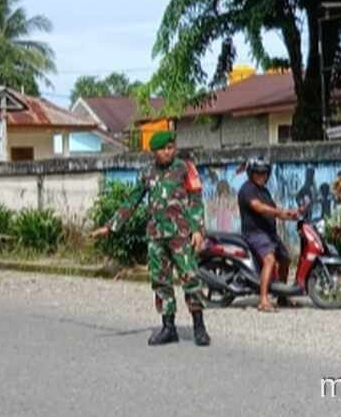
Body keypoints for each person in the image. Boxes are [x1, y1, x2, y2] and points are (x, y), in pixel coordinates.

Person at [89, 130, 210, 347]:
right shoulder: (149, 173)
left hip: (181, 236)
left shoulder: (185, 168)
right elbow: (133, 200)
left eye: (171, 147)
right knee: (161, 282)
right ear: (154, 152)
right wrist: (111, 226)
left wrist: (198, 229)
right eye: (163, 149)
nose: (168, 151)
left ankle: (199, 327)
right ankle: (168, 328)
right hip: (156, 236)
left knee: (190, 278)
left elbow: (196, 199)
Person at [237, 156, 300, 312]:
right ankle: (263, 300)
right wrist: (280, 211)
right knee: (270, 259)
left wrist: (291, 215)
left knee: (285, 259)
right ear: (251, 173)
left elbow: (274, 210)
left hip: (268, 233)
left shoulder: (264, 191)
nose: (261, 176)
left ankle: (282, 297)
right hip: (254, 233)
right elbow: (259, 207)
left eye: (264, 173)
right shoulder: (247, 189)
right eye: (258, 173)